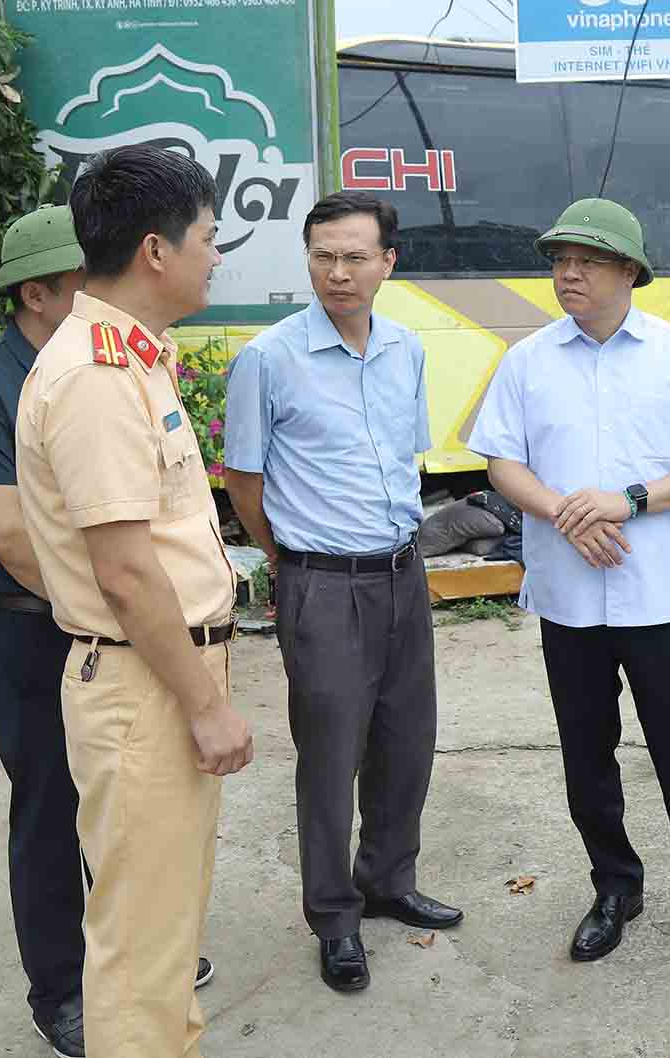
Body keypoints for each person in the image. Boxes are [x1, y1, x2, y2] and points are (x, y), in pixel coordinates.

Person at [0, 205, 217, 1058]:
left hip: (107, 625)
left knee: (123, 817)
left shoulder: (113, 359)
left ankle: (132, 957)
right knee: (52, 810)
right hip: (36, 628)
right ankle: (63, 986)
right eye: (77, 283)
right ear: (37, 292)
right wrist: (113, 625)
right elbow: (10, 537)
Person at [468, 198, 670, 978]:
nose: (568, 273)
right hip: (567, 597)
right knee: (585, 754)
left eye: (587, 260)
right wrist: (564, 509)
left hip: (654, 594)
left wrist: (629, 499)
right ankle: (614, 885)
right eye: (560, 260)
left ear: (629, 271)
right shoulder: (528, 360)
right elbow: (501, 464)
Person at [14, 144, 253, 1058]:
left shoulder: (130, 356)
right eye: (207, 237)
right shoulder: (97, 377)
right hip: (145, 681)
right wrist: (205, 704)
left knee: (168, 922)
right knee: (141, 941)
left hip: (163, 668)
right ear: (156, 250)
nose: (216, 255)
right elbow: (124, 572)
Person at [223, 190, 461, 995]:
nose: (339, 271)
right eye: (324, 255)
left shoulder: (405, 348)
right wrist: (289, 560)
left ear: (388, 263)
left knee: (406, 740)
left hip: (403, 573)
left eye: (356, 255)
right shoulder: (269, 359)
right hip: (320, 584)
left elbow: (405, 462)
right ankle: (334, 917)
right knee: (330, 757)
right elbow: (243, 481)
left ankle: (388, 881)